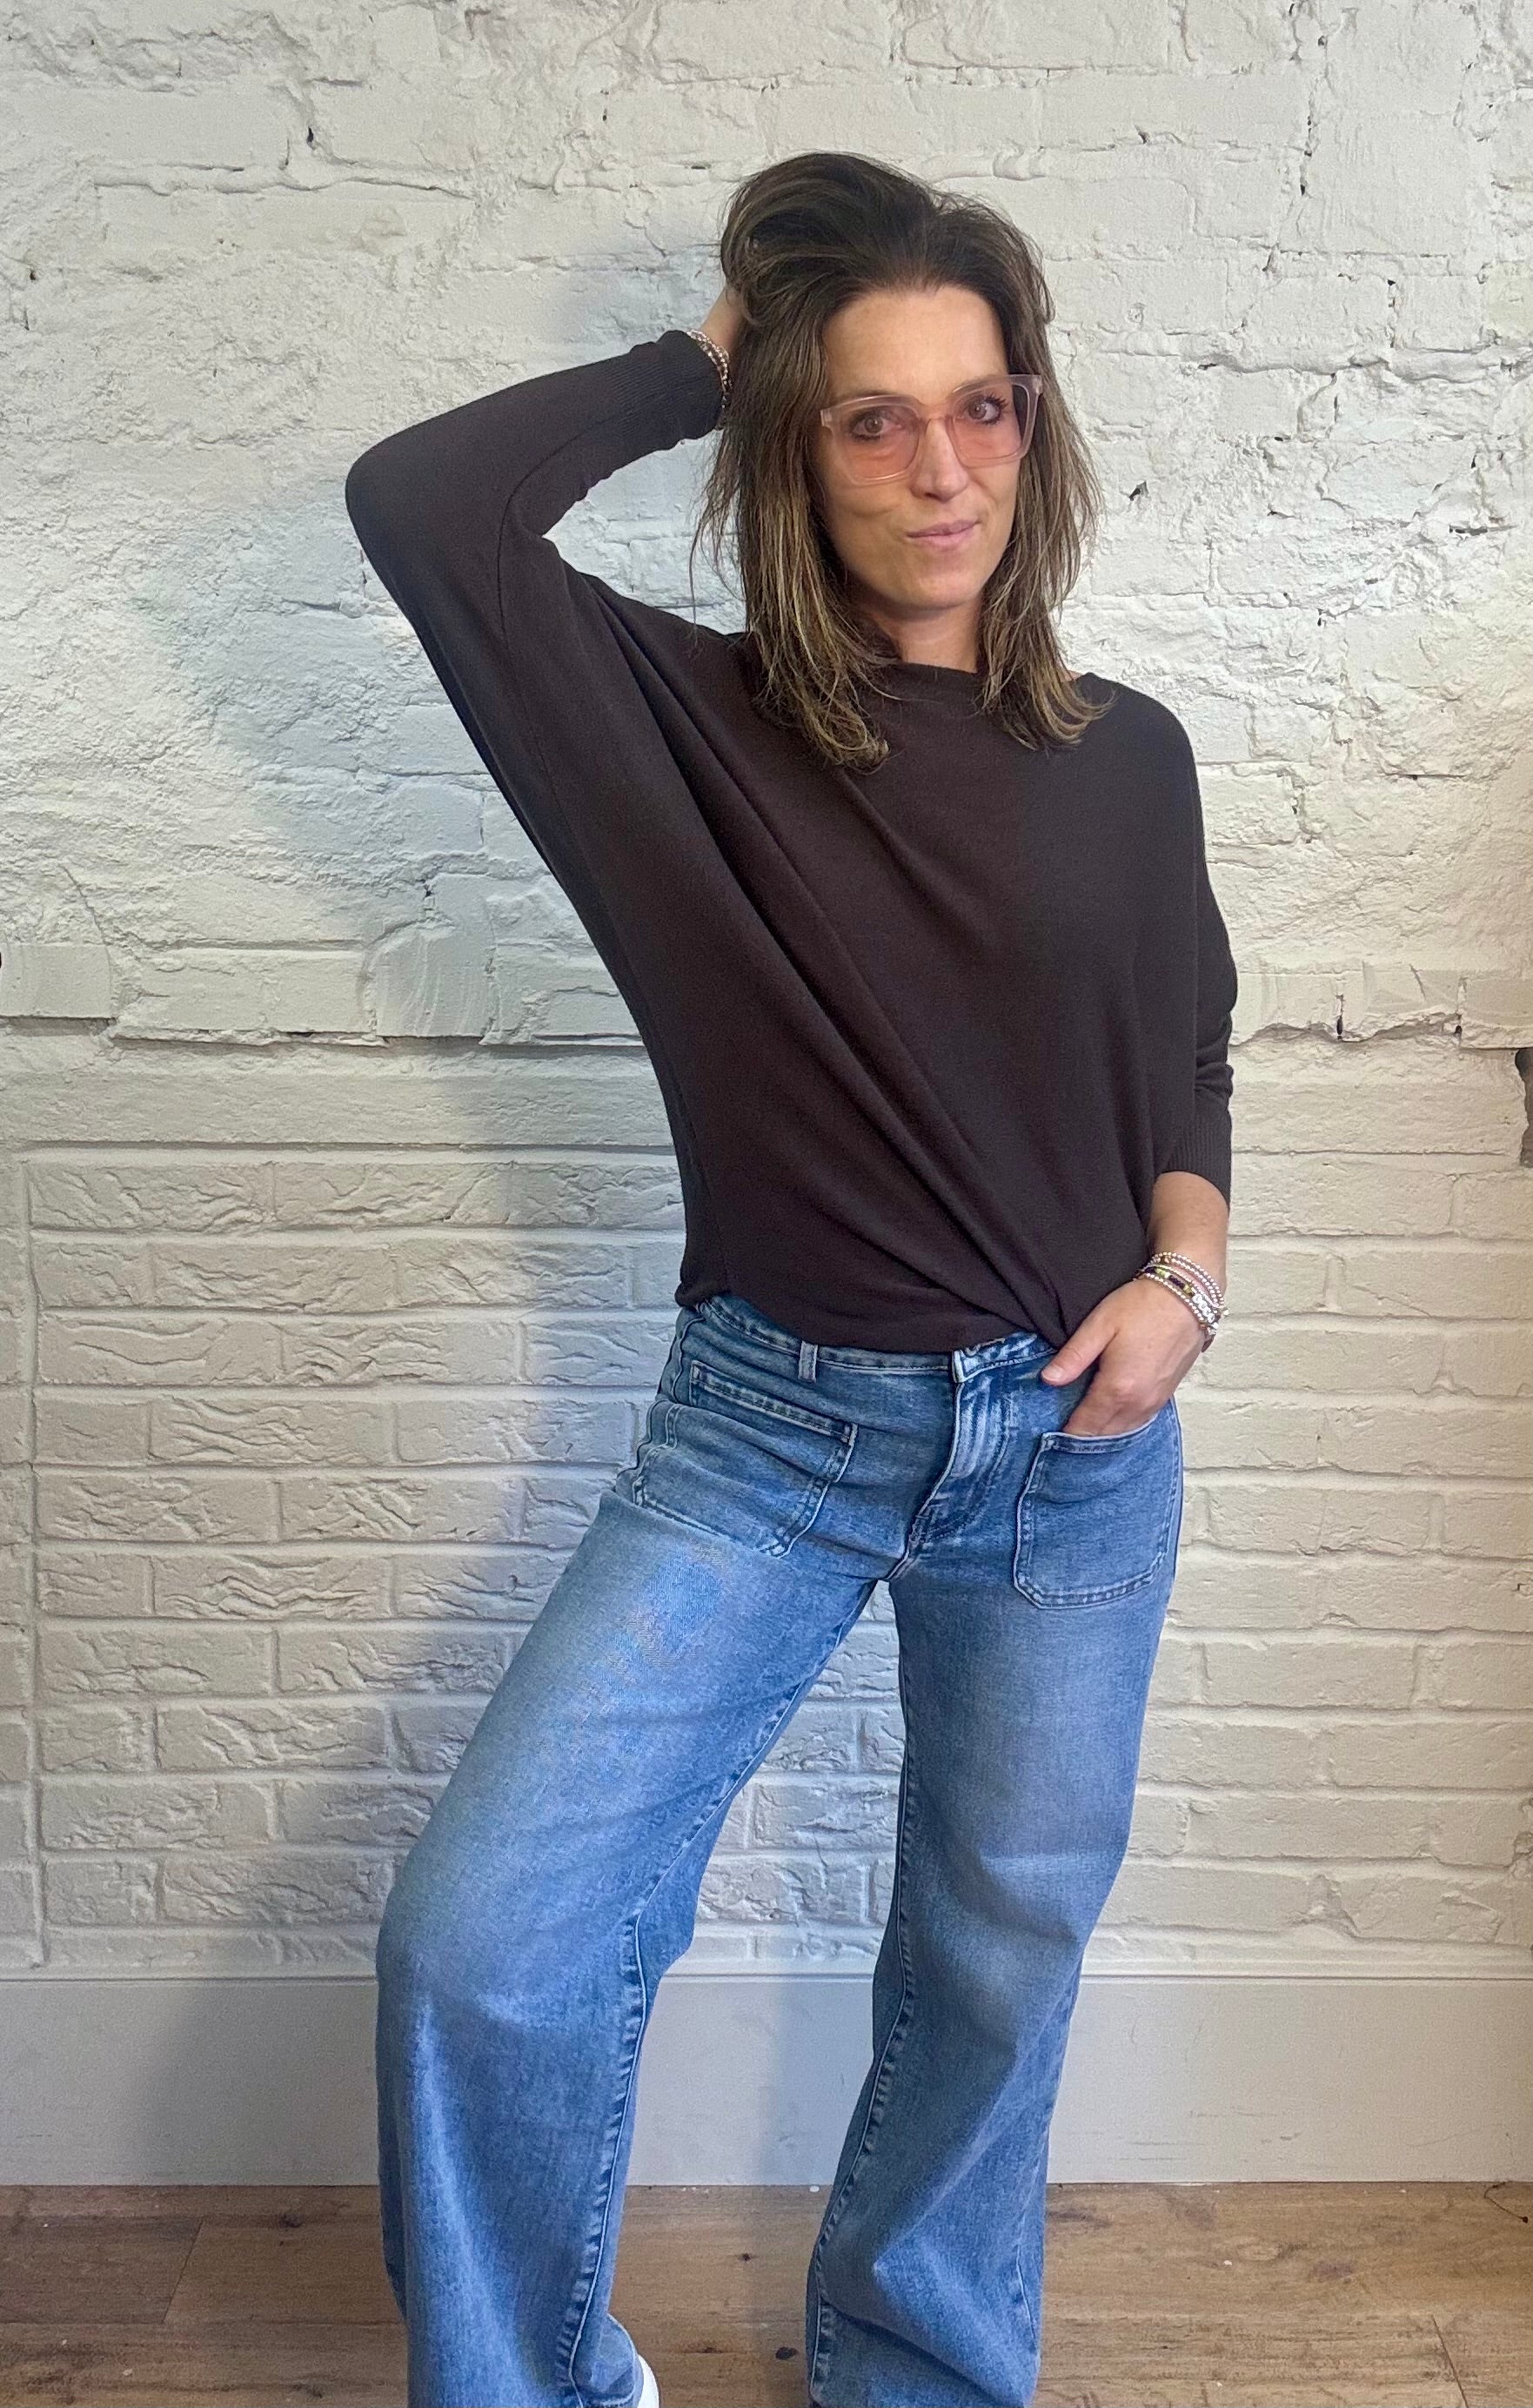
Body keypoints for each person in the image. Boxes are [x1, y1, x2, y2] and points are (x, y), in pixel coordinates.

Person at [344, 149, 1236, 2408]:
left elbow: (1186, 1067)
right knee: (487, 1943)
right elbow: (422, 506)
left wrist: (1186, 1282)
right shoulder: (673, 728)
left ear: (1034, 427)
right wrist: (713, 348)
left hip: (1075, 1450)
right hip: (769, 1437)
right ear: (792, 448)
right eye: (871, 416)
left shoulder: (1128, 757)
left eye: (982, 406)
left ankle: (918, 2372)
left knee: (994, 1960)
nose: (940, 469)